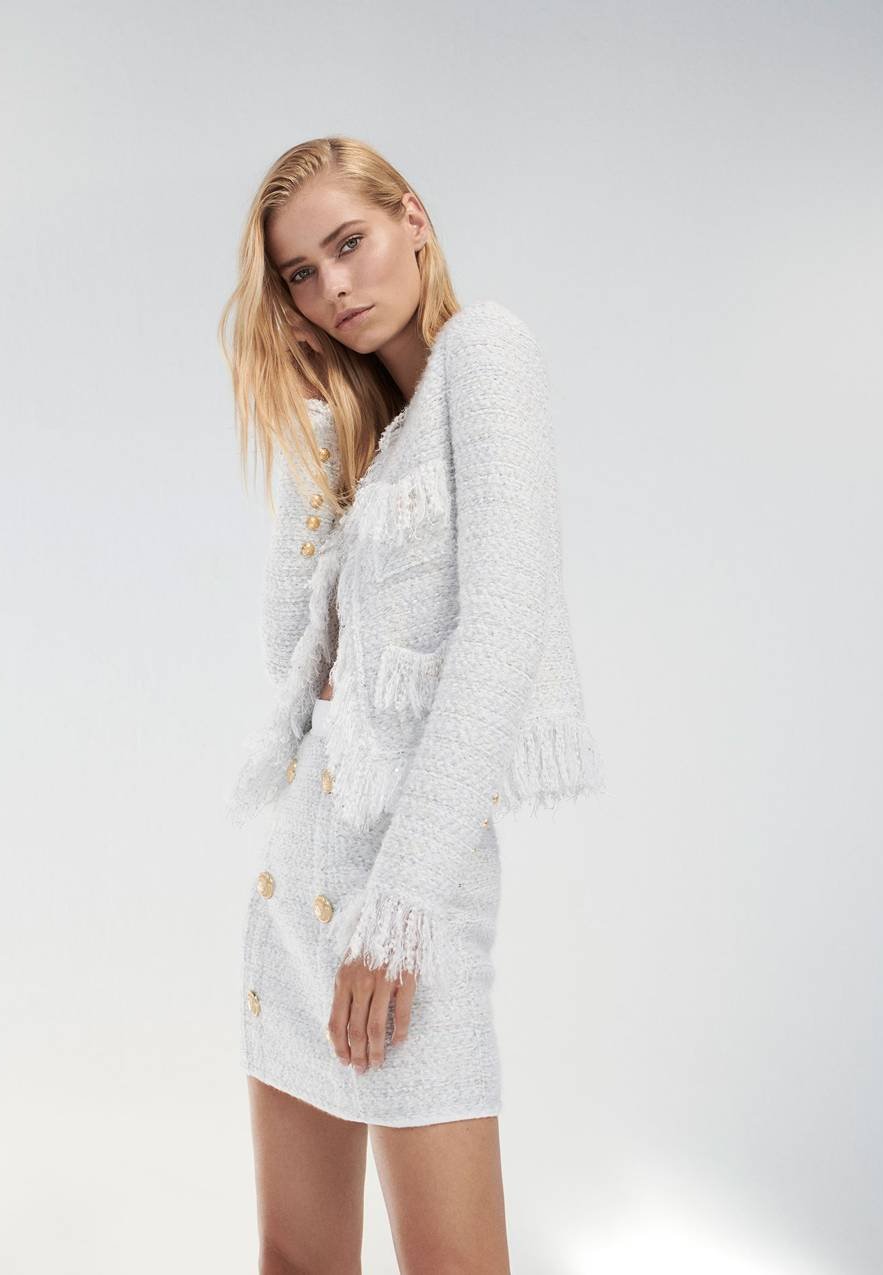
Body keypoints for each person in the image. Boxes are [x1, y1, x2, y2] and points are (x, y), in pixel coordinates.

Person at [217, 135, 604, 1274]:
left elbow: (502, 632)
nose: (334, 287)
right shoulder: (361, 436)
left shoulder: (486, 354)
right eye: (302, 274)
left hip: (407, 909)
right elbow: (294, 657)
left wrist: (397, 914)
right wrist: (315, 424)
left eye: (351, 243)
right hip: (296, 901)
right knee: (296, 1259)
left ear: (414, 221)